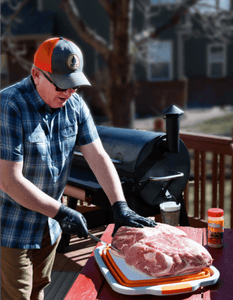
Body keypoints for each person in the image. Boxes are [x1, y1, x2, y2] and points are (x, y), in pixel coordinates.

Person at [0, 37, 156, 300]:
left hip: (48, 227)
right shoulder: (9, 105)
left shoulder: (73, 105)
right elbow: (9, 181)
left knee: (38, 291)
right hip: (11, 227)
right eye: (61, 84)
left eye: (74, 85)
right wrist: (61, 211)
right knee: (17, 296)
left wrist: (120, 205)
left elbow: (97, 156)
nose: (69, 92)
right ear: (36, 74)